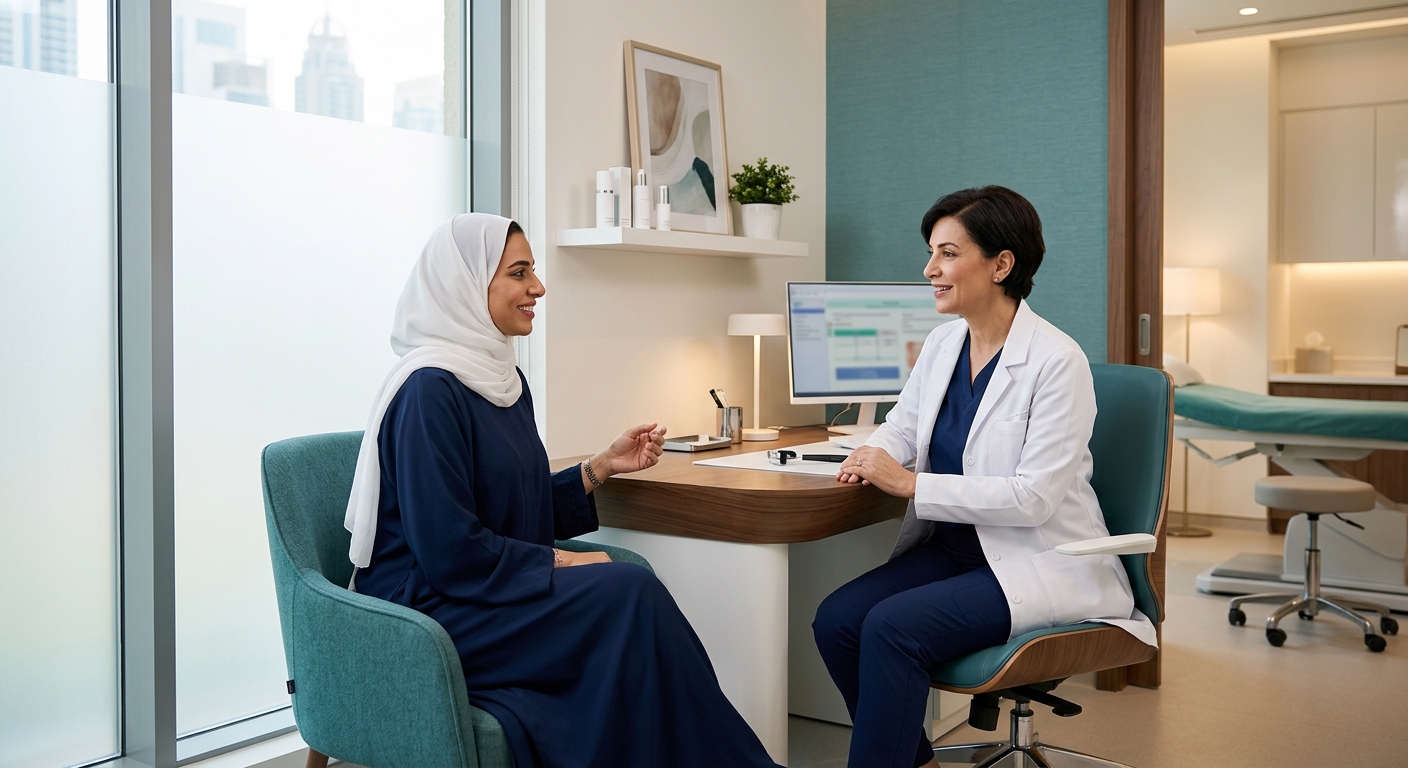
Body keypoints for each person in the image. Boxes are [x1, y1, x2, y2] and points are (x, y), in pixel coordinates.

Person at [344, 213, 777, 768]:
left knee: (628, 597)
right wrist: (558, 563)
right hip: (429, 609)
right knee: (629, 592)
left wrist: (599, 468)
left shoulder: (502, 379)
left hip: (477, 589)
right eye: (519, 272)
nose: (538, 288)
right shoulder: (429, 391)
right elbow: (450, 550)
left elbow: (509, 509)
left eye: (534, 271)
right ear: (468, 287)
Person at [812, 186, 1156, 768]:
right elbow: (903, 426)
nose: (930, 270)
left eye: (947, 254)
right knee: (839, 621)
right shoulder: (945, 343)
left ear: (1001, 264)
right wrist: (867, 454)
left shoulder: (1055, 360)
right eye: (931, 253)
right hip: (954, 550)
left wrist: (910, 484)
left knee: (892, 629)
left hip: (1039, 556)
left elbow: (1034, 498)